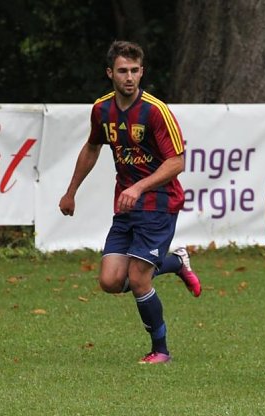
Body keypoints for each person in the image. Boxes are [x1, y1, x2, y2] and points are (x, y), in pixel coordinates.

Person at [58, 40, 200, 364]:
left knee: (137, 279)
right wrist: (71, 192)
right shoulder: (102, 110)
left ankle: (160, 350)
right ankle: (176, 262)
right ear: (110, 73)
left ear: (142, 72)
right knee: (110, 281)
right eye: (123, 70)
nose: (130, 77)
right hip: (126, 206)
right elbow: (92, 148)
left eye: (135, 70)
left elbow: (176, 162)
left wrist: (139, 187)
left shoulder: (155, 111)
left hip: (160, 202)